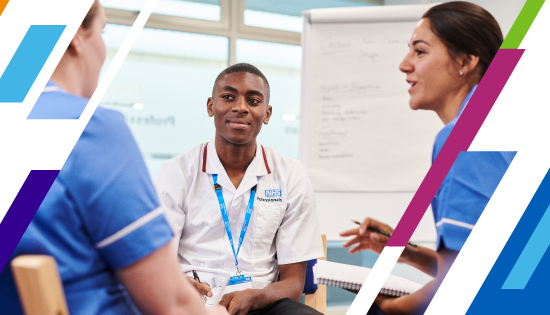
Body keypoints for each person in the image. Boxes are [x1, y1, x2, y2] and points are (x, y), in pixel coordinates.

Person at [0, 2, 228, 315]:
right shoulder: (92, 131)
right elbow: (172, 305)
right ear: (76, 38)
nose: (103, 49)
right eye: (102, 32)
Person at [339, 2, 517, 315]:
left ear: (466, 60)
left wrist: (387, 308)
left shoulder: (463, 137)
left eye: (420, 52)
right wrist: (405, 252)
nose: (404, 65)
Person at [154, 63, 325, 315]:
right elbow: (157, 263)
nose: (240, 107)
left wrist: (255, 297)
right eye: (228, 97)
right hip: (192, 301)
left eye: (253, 100)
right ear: (211, 106)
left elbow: (294, 283)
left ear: (267, 114)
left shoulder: (290, 174)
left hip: (262, 302)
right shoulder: (176, 172)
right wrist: (178, 285)